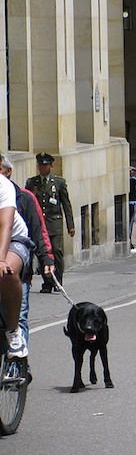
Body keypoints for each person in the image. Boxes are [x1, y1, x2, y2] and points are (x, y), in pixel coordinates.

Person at [0, 156, 54, 345]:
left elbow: (38, 230)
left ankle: (18, 359)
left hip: (17, 254)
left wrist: (47, 259)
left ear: (8, 172)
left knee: (19, 314)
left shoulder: (23, 196)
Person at [25, 152, 75, 293]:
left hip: (54, 223)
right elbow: (27, 202)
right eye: (40, 165)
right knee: (43, 253)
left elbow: (66, 204)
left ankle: (58, 281)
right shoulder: (32, 183)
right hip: (39, 224)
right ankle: (47, 282)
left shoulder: (59, 183)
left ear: (51, 166)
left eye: (45, 165)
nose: (42, 168)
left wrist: (70, 225)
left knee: (57, 251)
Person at [0, 165, 34, 359]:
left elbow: (5, 224)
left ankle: (13, 331)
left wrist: (0, 259)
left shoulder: (3, 185)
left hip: (12, 239)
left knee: (7, 271)